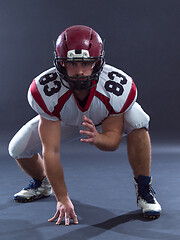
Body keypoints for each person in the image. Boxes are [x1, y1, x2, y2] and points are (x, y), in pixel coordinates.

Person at [8, 25, 161, 226]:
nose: (79, 71)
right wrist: (62, 198)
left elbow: (113, 141)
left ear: (97, 63)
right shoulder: (46, 89)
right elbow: (51, 151)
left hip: (105, 119)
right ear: (60, 64)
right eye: (72, 64)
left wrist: (99, 139)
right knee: (17, 148)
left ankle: (144, 190)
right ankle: (43, 184)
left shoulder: (115, 87)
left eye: (86, 63)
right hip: (65, 120)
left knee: (139, 119)